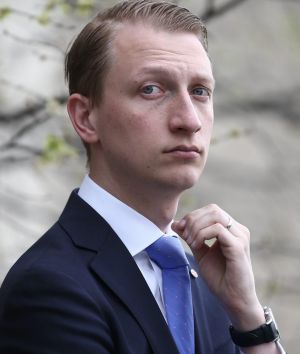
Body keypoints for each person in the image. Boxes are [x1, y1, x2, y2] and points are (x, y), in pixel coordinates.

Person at [0, 1, 285, 353]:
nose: (189, 120)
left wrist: (251, 322)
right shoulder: (49, 287)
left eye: (200, 92)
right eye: (152, 89)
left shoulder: (212, 287)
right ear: (86, 117)